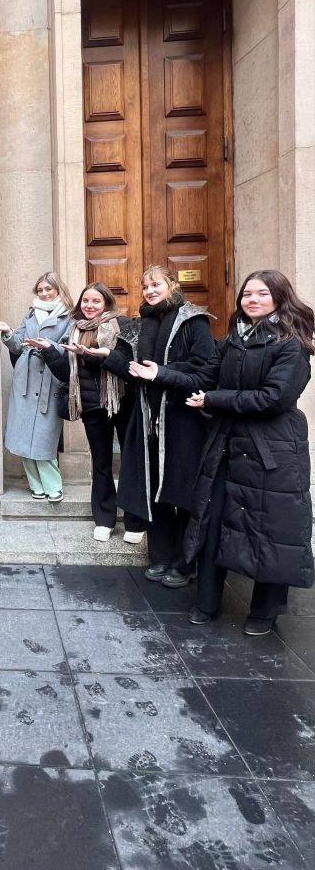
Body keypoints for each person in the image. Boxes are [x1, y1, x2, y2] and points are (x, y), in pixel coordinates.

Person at [129, 270, 315, 634]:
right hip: (227, 444)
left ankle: (264, 611)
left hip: (271, 449)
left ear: (280, 298)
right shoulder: (233, 339)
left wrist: (215, 400)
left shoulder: (291, 344)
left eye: (262, 294)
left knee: (269, 528)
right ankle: (207, 601)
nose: (252, 300)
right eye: (247, 294)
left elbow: (274, 398)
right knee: (212, 521)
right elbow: (203, 378)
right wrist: (161, 374)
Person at [96, 265, 216, 587]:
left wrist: (162, 373)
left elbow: (206, 371)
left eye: (155, 284)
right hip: (147, 420)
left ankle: (185, 563)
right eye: (145, 286)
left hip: (184, 421)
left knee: (182, 492)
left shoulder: (193, 320)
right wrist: (104, 355)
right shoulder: (140, 326)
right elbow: (130, 369)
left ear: (171, 285)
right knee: (154, 491)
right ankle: (161, 556)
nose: (149, 291)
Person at [28, 282, 140, 543]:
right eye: (86, 301)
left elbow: (128, 368)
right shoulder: (75, 329)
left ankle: (134, 521)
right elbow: (67, 374)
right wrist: (49, 352)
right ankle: (104, 519)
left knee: (131, 462)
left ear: (106, 303)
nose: (90, 306)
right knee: (101, 464)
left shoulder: (123, 326)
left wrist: (95, 355)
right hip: (92, 407)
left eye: (96, 301)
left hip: (123, 403)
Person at [0, 272, 72, 501]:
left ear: (58, 289)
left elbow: (69, 348)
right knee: (22, 434)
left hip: (50, 380)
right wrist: (7, 332)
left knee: (45, 436)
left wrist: (49, 346)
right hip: (25, 379)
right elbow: (17, 344)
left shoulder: (69, 317)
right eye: (40, 290)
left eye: (48, 289)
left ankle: (52, 485)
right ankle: (36, 484)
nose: (44, 293)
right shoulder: (31, 313)